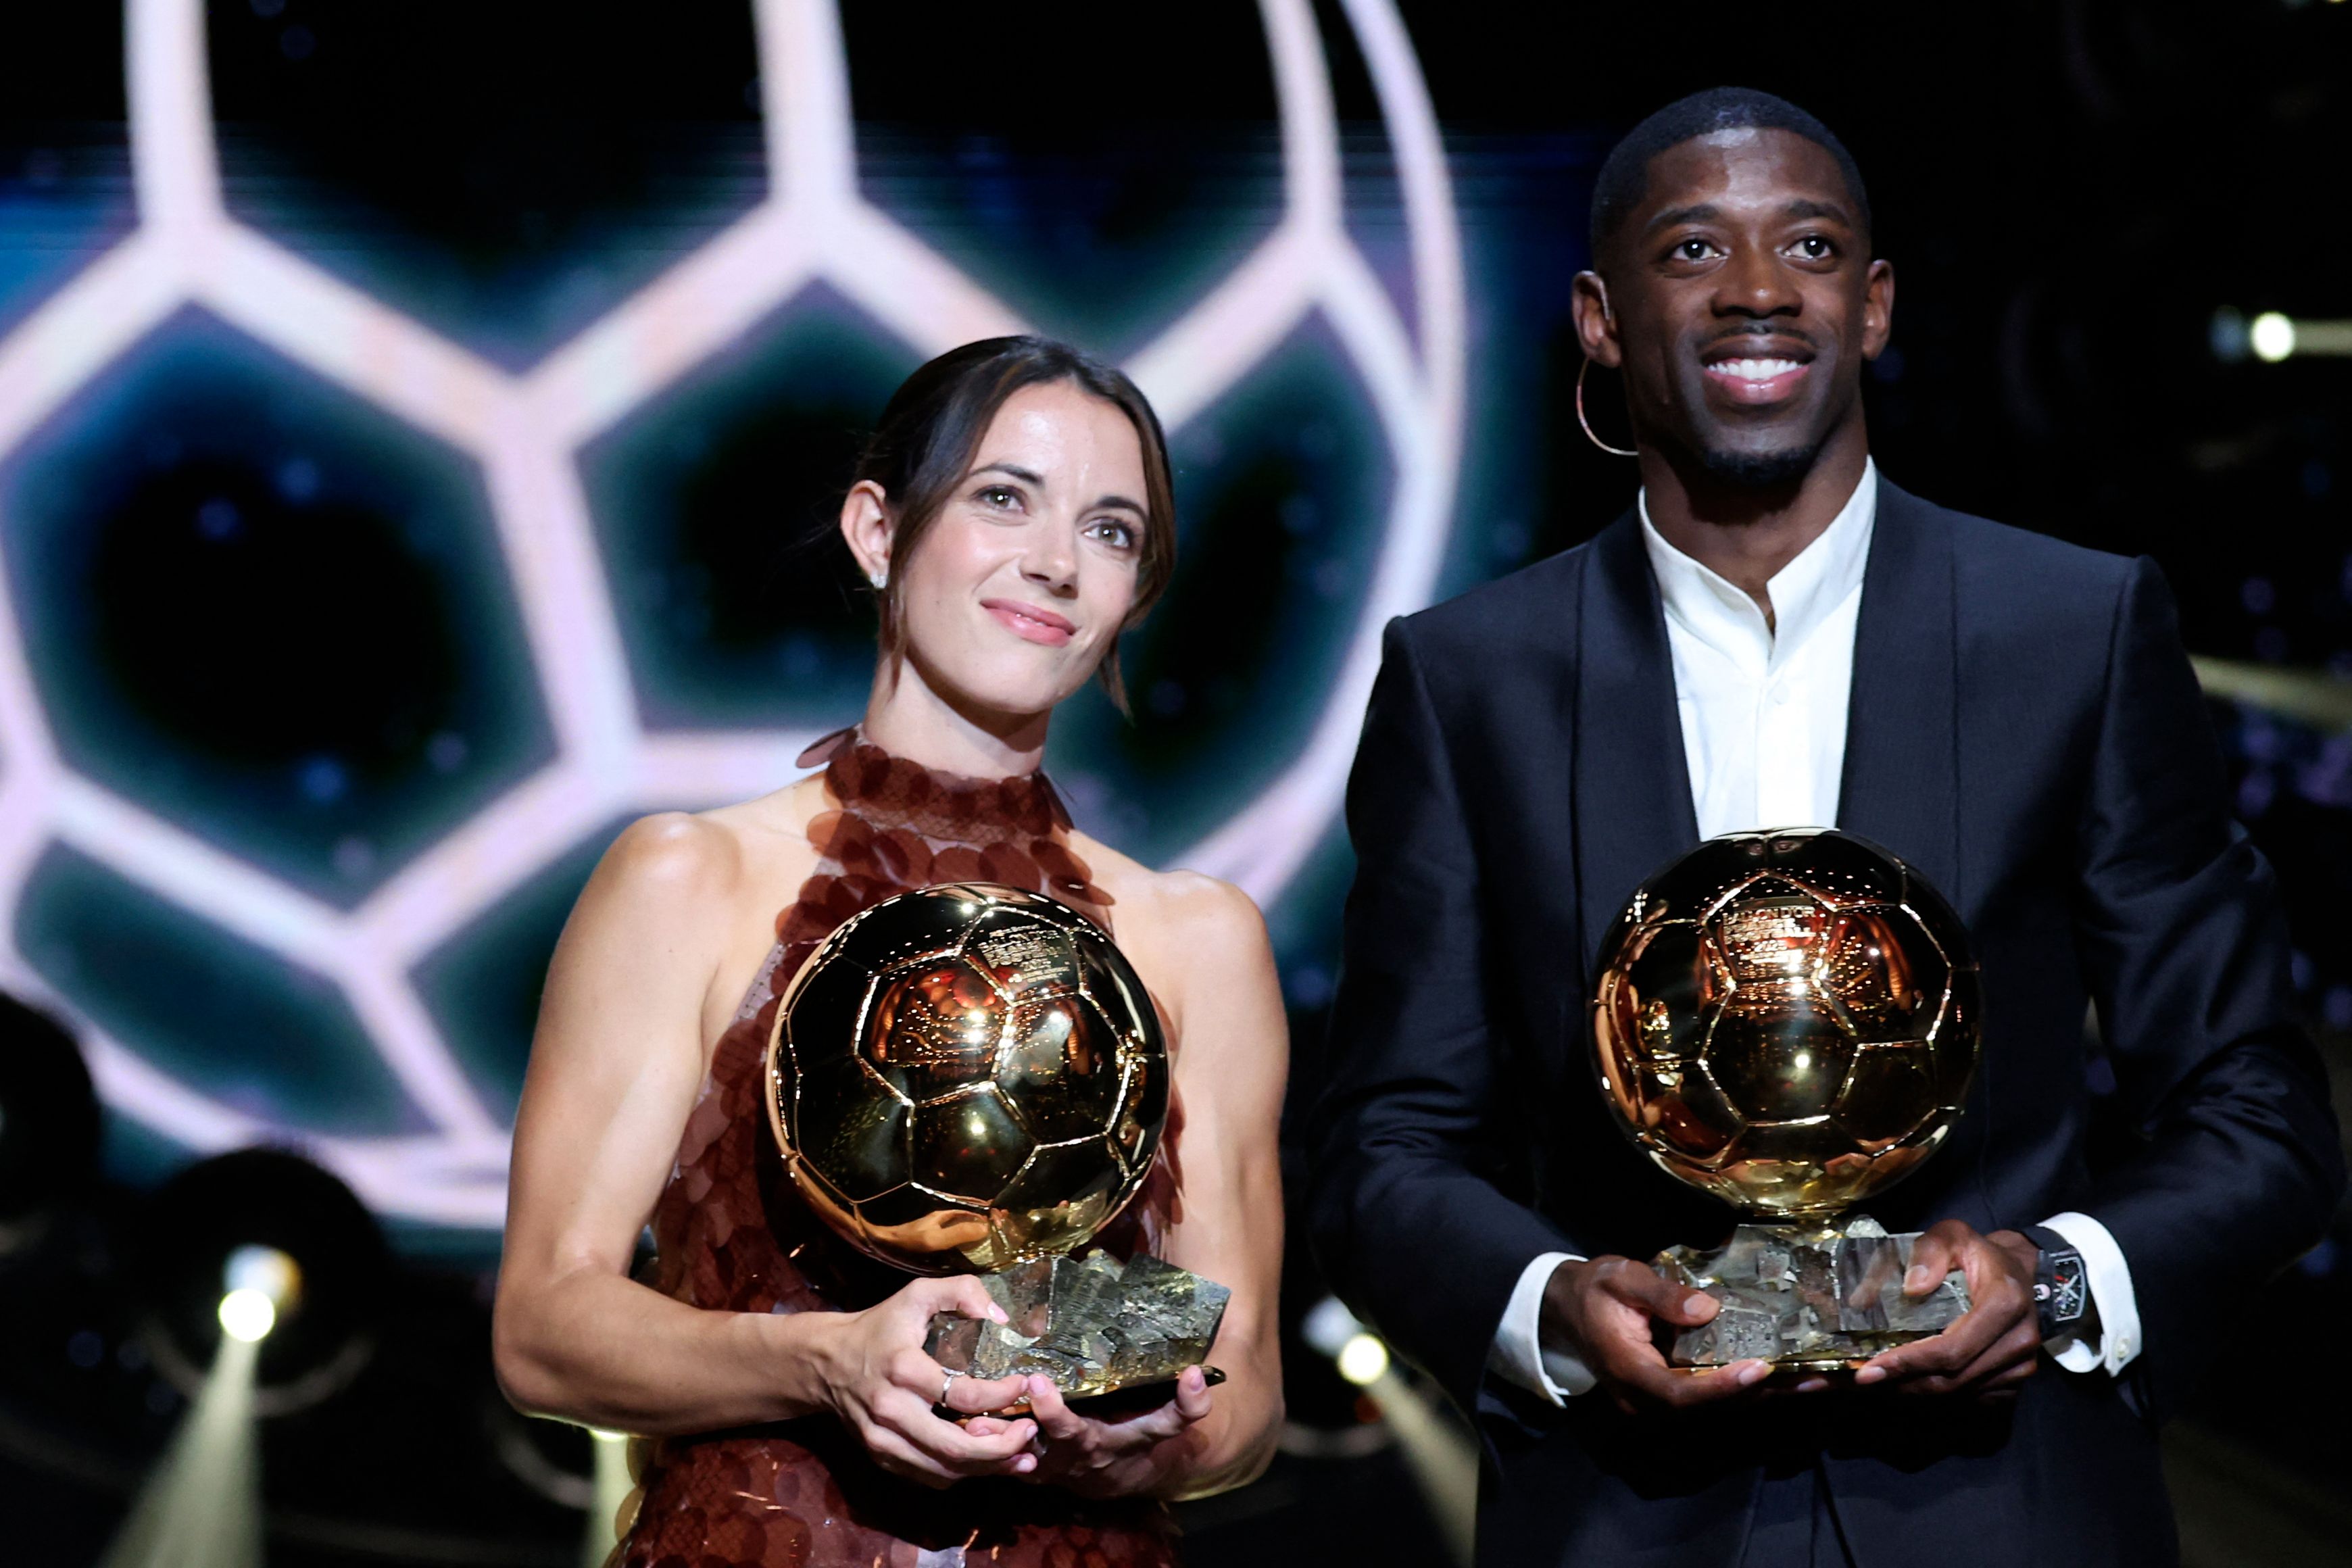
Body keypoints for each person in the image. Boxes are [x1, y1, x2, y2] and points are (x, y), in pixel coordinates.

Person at [1306, 87, 2345, 1567]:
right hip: (1626, 1514)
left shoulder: (2074, 628)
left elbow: (2258, 1110)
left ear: (1874, 306)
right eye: (1692, 249)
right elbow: (1387, 1144)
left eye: (1809, 245)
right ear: (1600, 320)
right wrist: (1554, 1305)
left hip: (2006, 1508)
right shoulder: (1470, 677)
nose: (1757, 288)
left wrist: (2051, 1279)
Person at [494, 336, 1287, 1567]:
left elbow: (1244, 1393)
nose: (1057, 561)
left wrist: (1134, 1447)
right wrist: (822, 1361)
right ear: (877, 530)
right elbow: (543, 1329)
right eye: (1004, 498)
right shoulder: (690, 879)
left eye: (1111, 530)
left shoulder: (1197, 940)